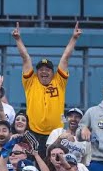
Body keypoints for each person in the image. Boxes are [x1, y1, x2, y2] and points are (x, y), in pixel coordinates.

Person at [12, 21, 82, 154]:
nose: (44, 72)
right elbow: (26, 58)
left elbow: (65, 58)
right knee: (35, 165)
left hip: (57, 134)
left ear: (53, 72)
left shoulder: (59, 81)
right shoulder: (30, 82)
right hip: (33, 133)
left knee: (56, 164)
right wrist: (18, 39)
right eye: (41, 69)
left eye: (48, 69)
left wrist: (74, 38)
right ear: (37, 72)